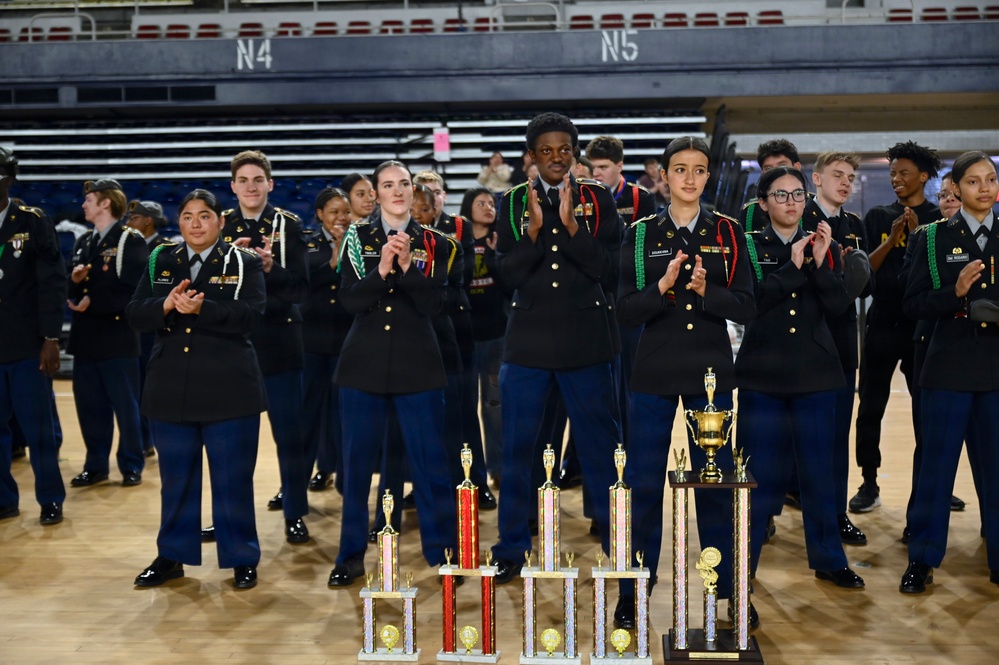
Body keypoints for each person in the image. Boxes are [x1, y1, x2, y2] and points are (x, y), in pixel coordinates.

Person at [617, 137, 755, 629]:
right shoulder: (639, 234)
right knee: (643, 482)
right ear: (665, 177)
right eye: (680, 169)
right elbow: (625, 309)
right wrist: (662, 287)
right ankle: (634, 587)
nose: (690, 179)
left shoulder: (731, 232)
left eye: (699, 170)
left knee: (714, 484)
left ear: (708, 176)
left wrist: (706, 291)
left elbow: (747, 305)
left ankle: (726, 589)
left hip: (710, 376)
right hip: (653, 370)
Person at [490, 112, 623, 584]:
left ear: (574, 152)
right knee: (518, 449)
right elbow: (505, 274)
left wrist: (571, 228)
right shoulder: (509, 203)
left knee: (600, 446)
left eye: (564, 149)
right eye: (545, 150)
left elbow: (609, 270)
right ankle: (511, 544)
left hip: (586, 342)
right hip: (526, 345)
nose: (555, 158)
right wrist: (530, 235)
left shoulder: (597, 198)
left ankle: (617, 539)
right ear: (531, 155)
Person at [737, 166, 865, 623]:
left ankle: (830, 560)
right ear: (764, 202)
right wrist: (793, 267)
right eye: (781, 195)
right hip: (762, 377)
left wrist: (823, 261)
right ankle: (740, 573)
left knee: (819, 475)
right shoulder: (748, 243)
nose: (791, 202)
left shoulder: (820, 242)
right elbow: (751, 301)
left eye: (797, 194)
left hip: (815, 375)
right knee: (754, 482)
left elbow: (837, 306)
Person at [327, 160, 457, 586]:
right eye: (388, 185)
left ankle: (443, 554)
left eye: (404, 184)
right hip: (362, 366)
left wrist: (407, 269)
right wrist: (381, 270)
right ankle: (349, 557)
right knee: (355, 466)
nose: (397, 191)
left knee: (430, 464)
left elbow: (435, 305)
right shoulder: (356, 238)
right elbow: (348, 302)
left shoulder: (438, 243)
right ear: (376, 194)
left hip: (417, 365)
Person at [130, 189, 267, 590]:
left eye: (204, 216)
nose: (195, 223)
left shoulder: (244, 262)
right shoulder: (160, 259)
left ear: (220, 222)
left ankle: (242, 557)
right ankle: (172, 556)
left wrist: (202, 309)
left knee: (232, 481)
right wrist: (166, 306)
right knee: (176, 480)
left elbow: (252, 316)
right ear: (180, 223)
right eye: (188, 216)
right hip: (171, 388)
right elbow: (136, 313)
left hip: (229, 390)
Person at [900, 151, 999, 593]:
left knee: (996, 471)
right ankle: (922, 558)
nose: (985, 188)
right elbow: (912, 305)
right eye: (974, 181)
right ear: (956, 188)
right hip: (947, 366)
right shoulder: (933, 237)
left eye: (991, 179)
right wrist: (954, 294)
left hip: (995, 371)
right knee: (936, 471)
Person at [216, 150, 311, 544]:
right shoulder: (220, 227)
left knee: (289, 437)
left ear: (270, 184)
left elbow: (301, 288)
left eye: (258, 180)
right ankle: (228, 518)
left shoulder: (288, 226)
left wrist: (270, 268)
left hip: (281, 343)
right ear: (233, 186)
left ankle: (294, 512)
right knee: (229, 444)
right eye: (244, 180)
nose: (251, 187)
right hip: (233, 347)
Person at [851, 142, 942, 514]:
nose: (896, 179)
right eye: (892, 173)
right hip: (883, 322)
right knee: (871, 405)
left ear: (923, 176)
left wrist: (919, 235)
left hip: (922, 326)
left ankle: (931, 481)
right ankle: (868, 480)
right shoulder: (877, 216)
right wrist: (891, 239)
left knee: (927, 410)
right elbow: (866, 271)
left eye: (904, 172)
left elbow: (937, 276)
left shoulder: (939, 217)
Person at [801, 152, 871, 546]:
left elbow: (867, 285)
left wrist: (853, 271)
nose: (845, 183)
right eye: (837, 175)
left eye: (850, 177)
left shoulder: (855, 226)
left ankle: (835, 514)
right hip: (809, 342)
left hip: (842, 343)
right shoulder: (801, 219)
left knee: (836, 438)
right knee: (807, 439)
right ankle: (805, 515)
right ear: (817, 179)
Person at [413, 172, 493, 502]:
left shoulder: (456, 234)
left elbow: (455, 289)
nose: (416, 214)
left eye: (422, 207)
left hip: (457, 337)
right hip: (415, 342)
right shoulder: (397, 240)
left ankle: (477, 481)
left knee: (463, 416)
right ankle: (423, 486)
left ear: (435, 206)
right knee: (422, 420)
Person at [0, 147, 67, 527]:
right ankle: (4, 499)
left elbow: (53, 282)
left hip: (28, 344)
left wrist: (51, 337)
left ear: (9, 180)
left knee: (38, 428)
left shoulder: (33, 221)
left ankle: (50, 499)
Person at [67, 178, 148, 488]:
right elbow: (72, 284)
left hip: (117, 336)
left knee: (125, 406)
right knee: (89, 406)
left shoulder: (131, 240)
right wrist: (74, 284)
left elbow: (134, 289)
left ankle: (131, 463)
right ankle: (95, 464)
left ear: (105, 203)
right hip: (86, 338)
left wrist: (93, 300)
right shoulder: (84, 240)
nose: (84, 204)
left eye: (89, 199)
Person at [302, 187, 352, 493]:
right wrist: (330, 265)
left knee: (344, 413)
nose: (341, 218)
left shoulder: (360, 241)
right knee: (312, 412)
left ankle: (344, 475)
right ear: (320, 214)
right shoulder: (305, 242)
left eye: (345, 211)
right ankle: (316, 470)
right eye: (333, 212)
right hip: (312, 341)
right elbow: (301, 283)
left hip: (348, 340)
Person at [460, 186, 508, 485]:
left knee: (494, 405)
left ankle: (498, 468)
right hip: (465, 335)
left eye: (492, 203)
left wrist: (496, 253)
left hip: (496, 334)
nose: (488, 207)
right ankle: (469, 471)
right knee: (465, 406)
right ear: (468, 208)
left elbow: (510, 283)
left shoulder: (501, 241)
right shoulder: (456, 242)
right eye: (481, 203)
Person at [127, 199, 171, 458]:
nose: (129, 222)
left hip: (155, 329)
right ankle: (143, 439)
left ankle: (151, 438)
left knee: (151, 386)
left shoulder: (164, 250)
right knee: (136, 386)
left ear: (148, 221)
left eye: (134, 218)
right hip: (135, 323)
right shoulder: (128, 244)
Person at [738, 139, 802, 234]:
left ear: (797, 167)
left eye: (782, 166)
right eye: (768, 169)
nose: (775, 173)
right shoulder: (750, 213)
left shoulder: (814, 207)